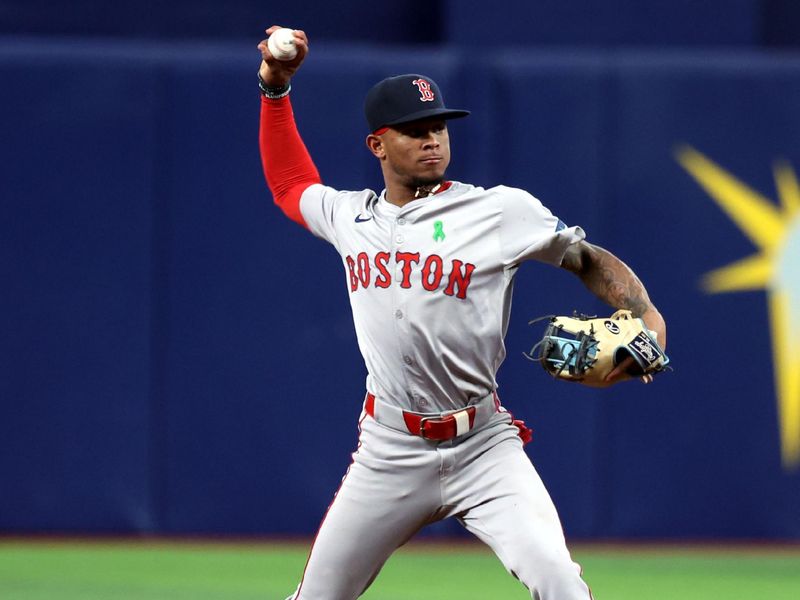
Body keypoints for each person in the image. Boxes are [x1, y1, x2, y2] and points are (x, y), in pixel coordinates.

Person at [257, 25, 666, 600]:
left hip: (483, 447)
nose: (433, 141)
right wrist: (274, 90)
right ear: (377, 145)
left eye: (440, 127)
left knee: (559, 582)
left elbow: (584, 258)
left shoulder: (499, 211)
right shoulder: (350, 219)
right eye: (415, 131)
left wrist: (644, 314)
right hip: (389, 449)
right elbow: (289, 183)